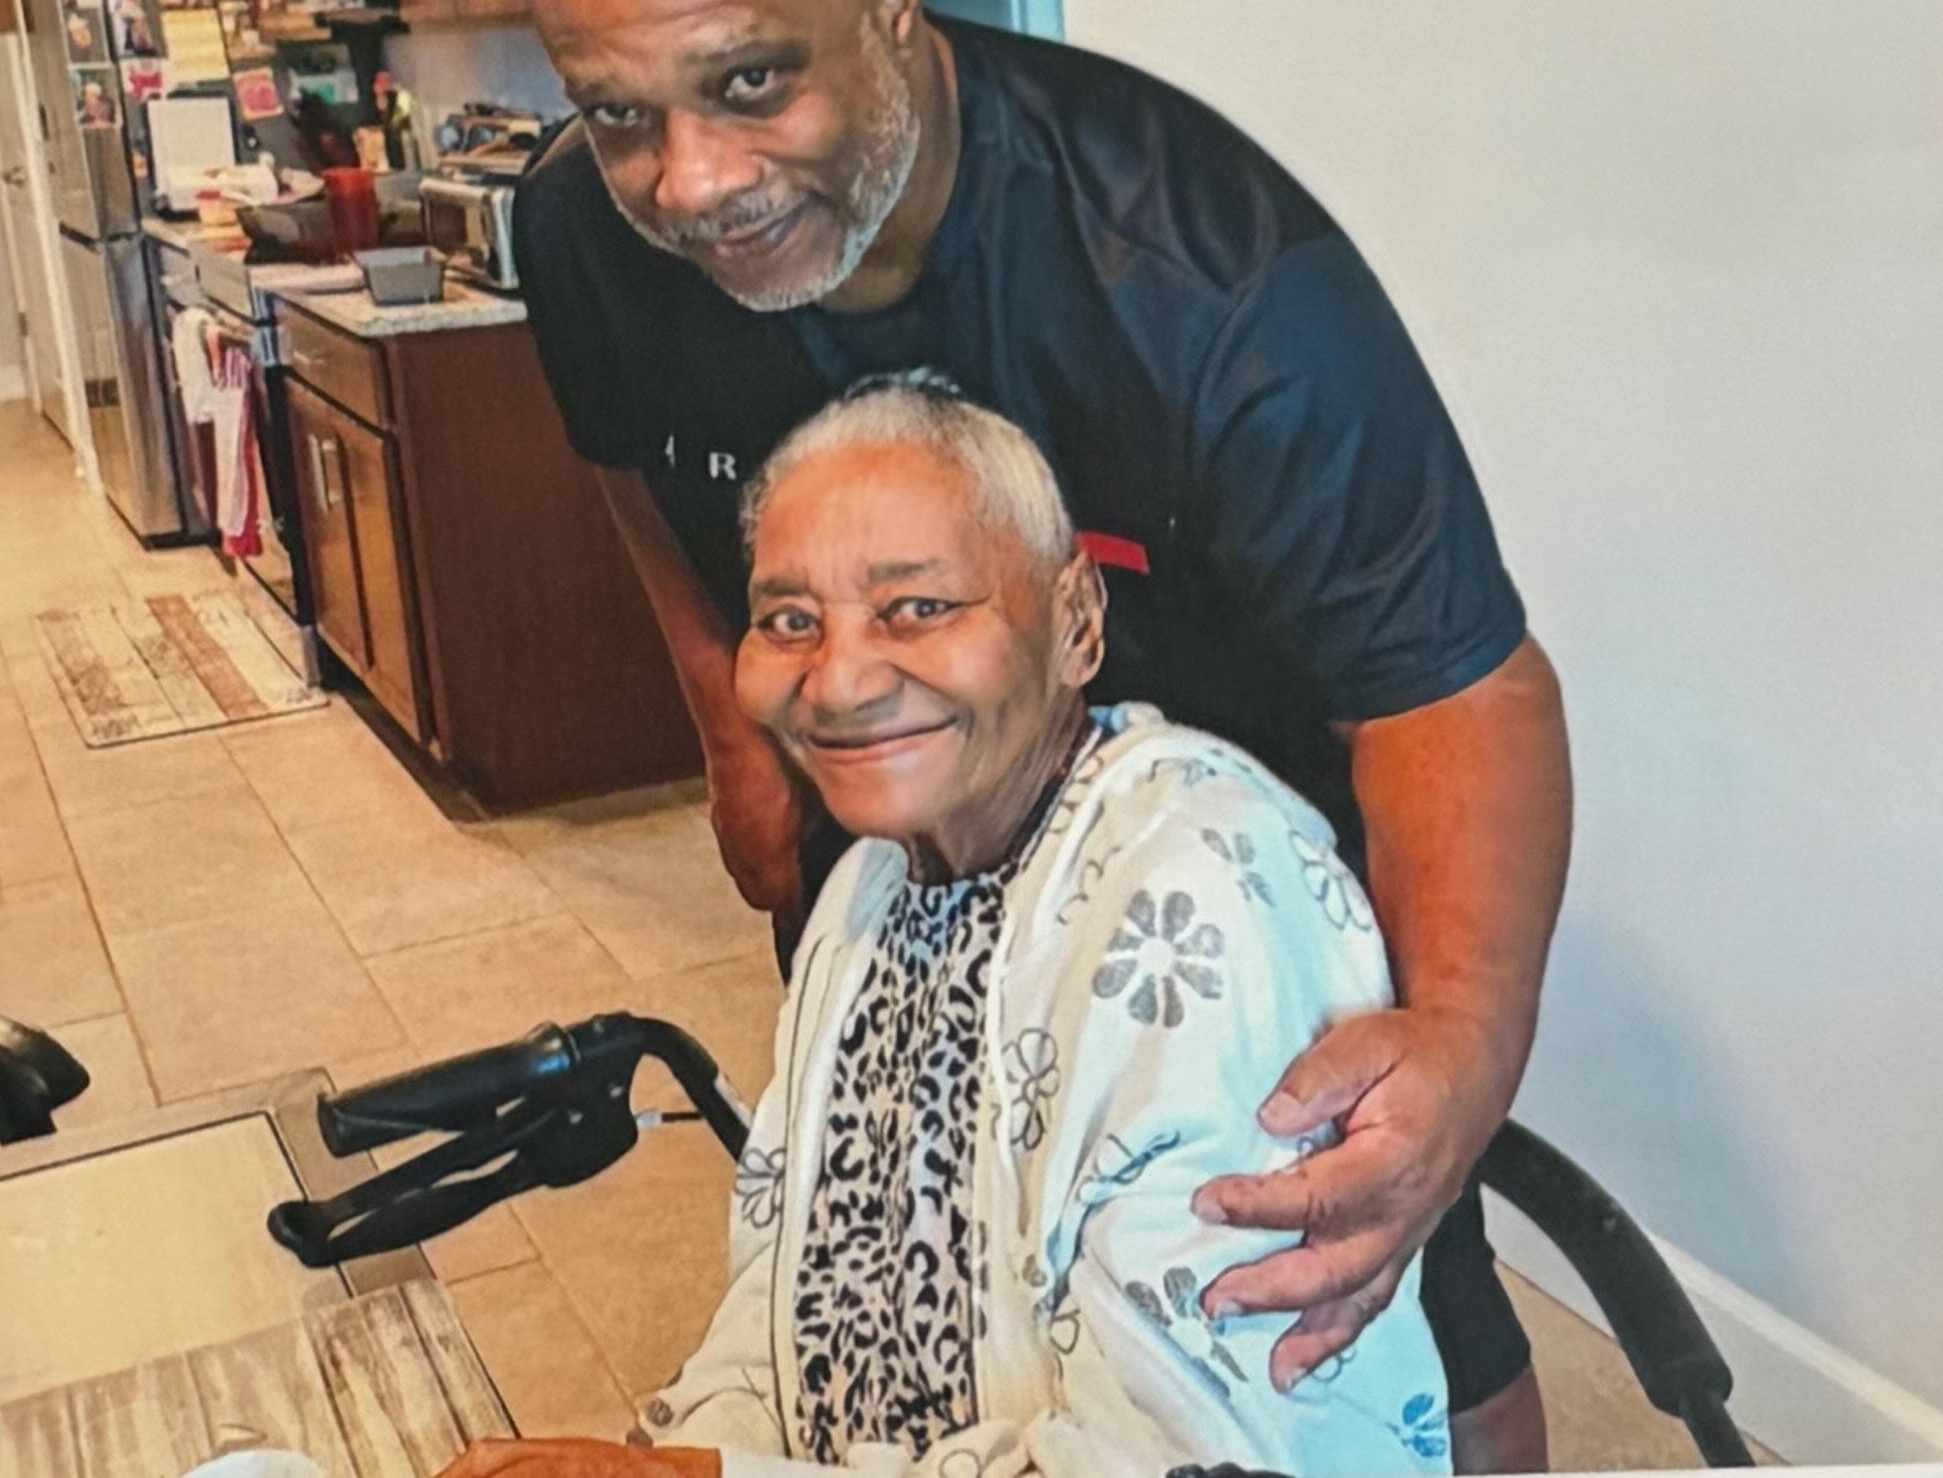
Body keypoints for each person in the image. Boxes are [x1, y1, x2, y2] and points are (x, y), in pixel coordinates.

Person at [509, 0, 1572, 1467]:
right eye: (621, 115)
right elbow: (629, 460)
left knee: (1364, 1279)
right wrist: (729, 718)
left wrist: (1460, 1041)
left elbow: (1455, 685)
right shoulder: (584, 226)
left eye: (751, 81)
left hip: (1229, 859)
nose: (693, 182)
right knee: (931, 1241)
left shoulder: (1210, 286)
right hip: (907, 830)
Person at [438, 378, 1455, 1478]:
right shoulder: (872, 883)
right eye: (789, 621)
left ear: (1076, 623)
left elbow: (1178, 1459)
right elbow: (779, 1300)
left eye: (916, 607)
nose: (839, 680)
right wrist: (684, 1449)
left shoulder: (1199, 906)